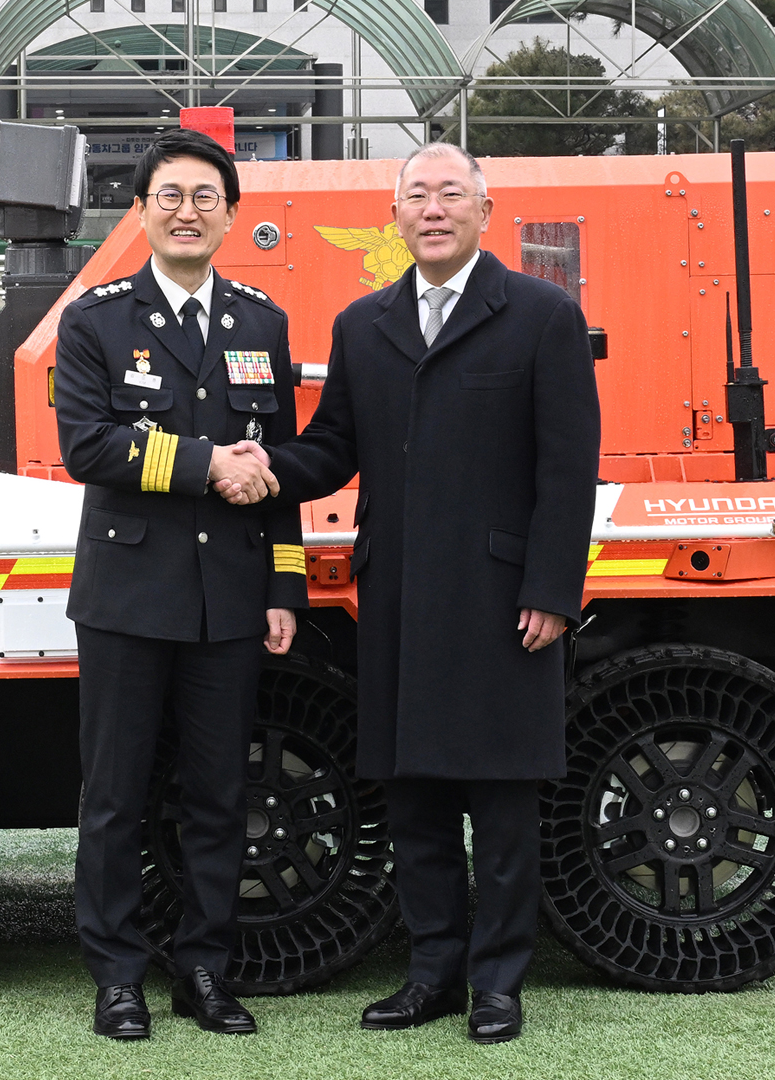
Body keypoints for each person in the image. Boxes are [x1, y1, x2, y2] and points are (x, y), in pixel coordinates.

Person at [219, 142, 600, 1044]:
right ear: (396, 216)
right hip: (395, 596)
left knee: (503, 805)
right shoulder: (364, 324)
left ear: (483, 210)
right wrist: (261, 466)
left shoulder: (543, 316)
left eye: (450, 194)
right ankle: (432, 973)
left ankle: (499, 985)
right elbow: (333, 447)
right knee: (415, 800)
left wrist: (553, 587)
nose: (433, 209)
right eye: (417, 196)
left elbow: (568, 466)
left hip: (507, 599)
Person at [54, 127, 308, 1040]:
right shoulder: (96, 318)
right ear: (142, 209)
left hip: (231, 598)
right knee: (117, 795)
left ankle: (204, 970)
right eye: (170, 195)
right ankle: (117, 976)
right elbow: (86, 445)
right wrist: (208, 465)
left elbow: (272, 466)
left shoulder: (261, 323)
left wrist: (284, 586)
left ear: (231, 214)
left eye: (207, 196)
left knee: (218, 796)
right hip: (127, 596)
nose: (188, 211)